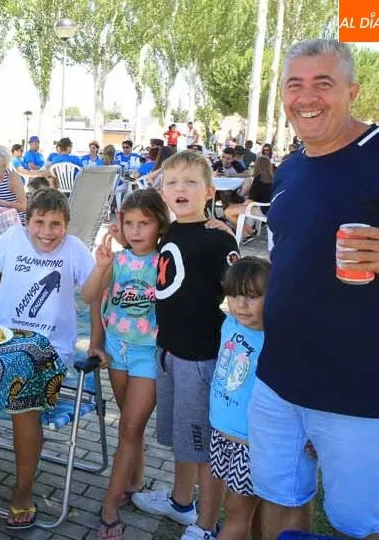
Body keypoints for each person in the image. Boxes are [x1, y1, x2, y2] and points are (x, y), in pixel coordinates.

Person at [250, 39, 379, 540]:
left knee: (362, 523)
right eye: (294, 85)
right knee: (280, 499)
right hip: (278, 377)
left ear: (352, 91)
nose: (307, 97)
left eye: (323, 83)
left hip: (359, 390)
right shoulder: (293, 165)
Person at [0, 189, 95, 530]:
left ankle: (23, 491)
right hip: (1, 341)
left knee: (25, 406)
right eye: (39, 222)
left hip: (49, 350)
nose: (47, 231)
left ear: (67, 225)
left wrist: (98, 341)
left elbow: (94, 293)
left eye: (56, 224)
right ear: (27, 222)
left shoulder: (75, 249)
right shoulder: (12, 238)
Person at [132, 151, 240, 540]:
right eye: (173, 182)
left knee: (204, 445)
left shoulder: (218, 237)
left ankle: (207, 524)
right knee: (183, 440)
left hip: (200, 356)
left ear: (210, 191)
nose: (181, 189)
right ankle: (181, 503)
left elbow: (240, 288)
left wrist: (228, 232)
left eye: (191, 182)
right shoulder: (171, 231)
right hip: (169, 350)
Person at [82, 188, 170, 538]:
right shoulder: (116, 261)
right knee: (130, 427)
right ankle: (135, 481)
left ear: (159, 224)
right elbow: (89, 296)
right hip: (117, 350)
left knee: (130, 428)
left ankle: (109, 505)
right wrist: (102, 266)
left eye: (144, 223)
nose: (135, 231)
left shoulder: (166, 260)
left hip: (149, 352)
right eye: (129, 223)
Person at [209, 257, 271, 540]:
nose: (240, 305)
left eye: (252, 297)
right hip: (223, 434)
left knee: (236, 512)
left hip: (249, 443)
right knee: (246, 512)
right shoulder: (230, 323)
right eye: (234, 295)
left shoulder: (274, 340)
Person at [224, 156, 274, 238]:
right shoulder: (271, 178)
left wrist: (240, 204)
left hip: (261, 208)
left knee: (227, 212)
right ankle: (243, 232)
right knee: (231, 207)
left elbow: (250, 200)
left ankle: (250, 232)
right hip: (268, 207)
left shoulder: (259, 180)